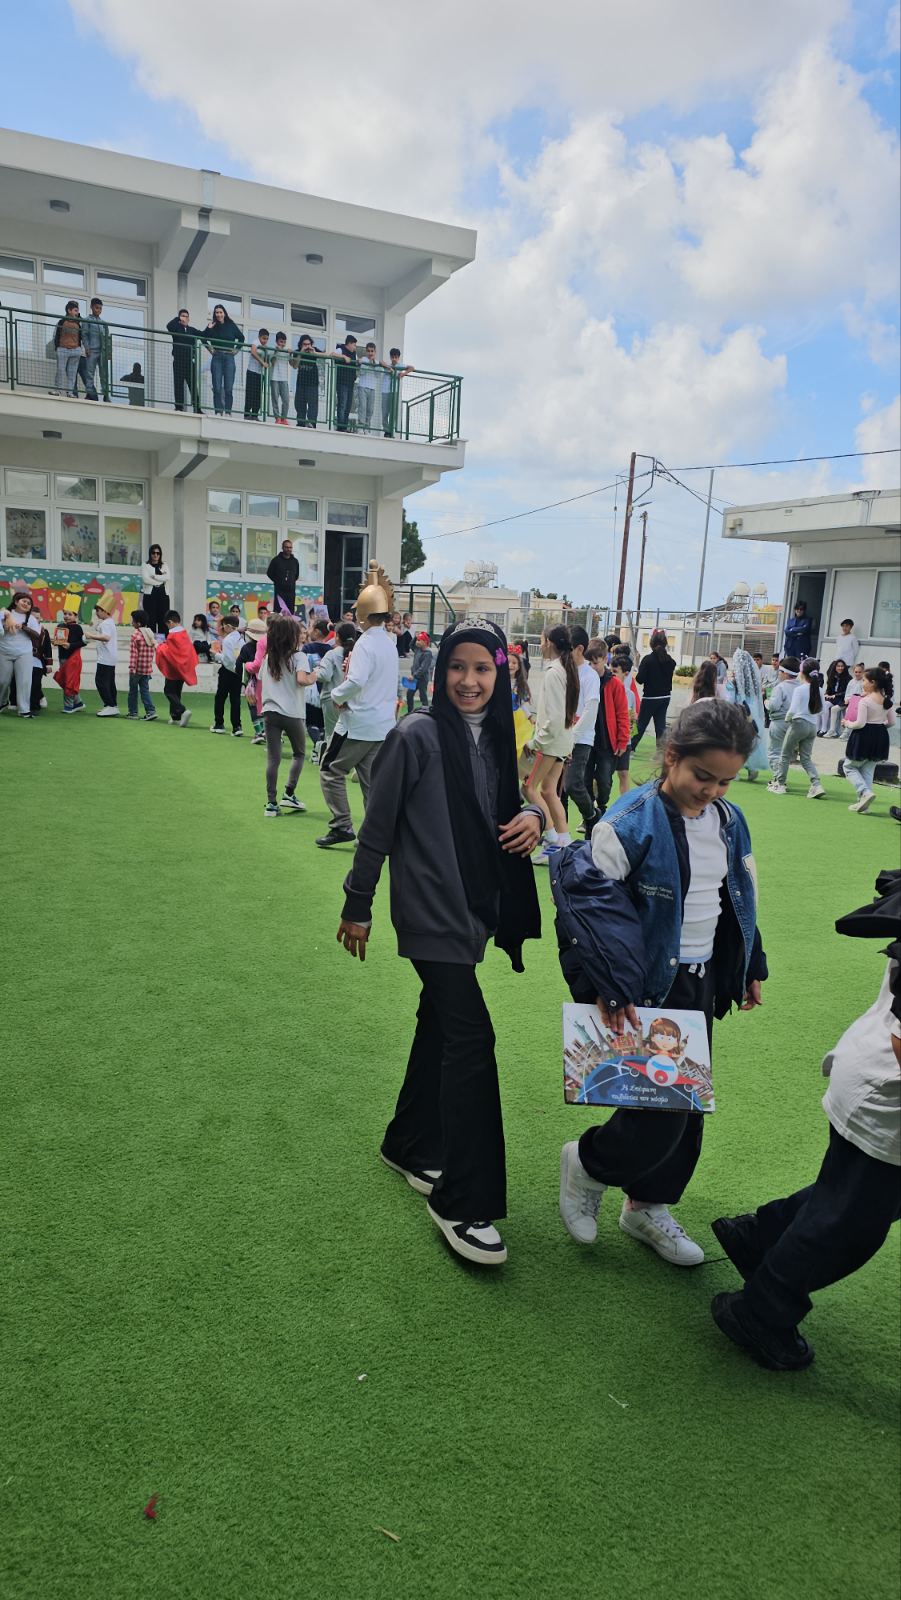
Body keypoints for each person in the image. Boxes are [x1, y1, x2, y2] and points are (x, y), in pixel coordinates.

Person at [336, 618, 543, 1266]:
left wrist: (534, 815)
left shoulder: (500, 736)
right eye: (457, 666)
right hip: (429, 914)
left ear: (501, 674)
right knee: (471, 1041)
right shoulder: (416, 734)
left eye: (482, 668)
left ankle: (407, 1142)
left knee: (438, 1025)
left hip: (475, 909)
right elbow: (377, 827)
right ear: (439, 670)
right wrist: (357, 905)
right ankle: (461, 1200)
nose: (468, 681)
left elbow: (517, 802)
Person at [557, 699, 766, 1267]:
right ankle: (588, 1163)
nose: (712, 791)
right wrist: (606, 988)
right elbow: (588, 920)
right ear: (671, 756)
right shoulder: (627, 824)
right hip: (645, 989)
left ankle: (646, 1206)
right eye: (703, 775)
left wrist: (752, 965)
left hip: (702, 982)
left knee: (688, 1111)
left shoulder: (729, 821)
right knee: (661, 1115)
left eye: (725, 780)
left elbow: (737, 898)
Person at [711, 870, 900, 1371]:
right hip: (887, 1092)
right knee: (853, 1223)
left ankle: (760, 1236)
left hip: (876, 1077)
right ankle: (761, 1311)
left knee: (853, 1197)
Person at [317, 562, 399, 848]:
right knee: (370, 781)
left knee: (330, 771)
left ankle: (342, 825)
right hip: (382, 724)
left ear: (363, 614)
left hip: (358, 723)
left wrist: (337, 696)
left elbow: (357, 680)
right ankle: (374, 833)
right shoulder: (390, 643)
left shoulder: (365, 643)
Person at [253, 615, 318, 818]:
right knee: (299, 753)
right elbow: (302, 680)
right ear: (291, 636)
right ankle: (289, 792)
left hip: (270, 712)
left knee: (273, 759)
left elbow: (260, 677)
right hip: (292, 712)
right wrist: (315, 675)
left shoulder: (268, 658)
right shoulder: (299, 657)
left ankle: (271, 803)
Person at [526, 625, 580, 865]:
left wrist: (536, 741)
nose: (541, 645)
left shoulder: (554, 672)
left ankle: (552, 841)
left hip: (551, 742)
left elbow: (555, 716)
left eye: (542, 640)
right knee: (548, 790)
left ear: (549, 642)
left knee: (528, 788)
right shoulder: (565, 669)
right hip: (561, 741)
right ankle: (563, 841)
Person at [585, 641, 631, 821]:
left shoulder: (615, 684)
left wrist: (622, 741)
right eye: (589, 663)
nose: (592, 667)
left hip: (607, 741)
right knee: (585, 779)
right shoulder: (584, 680)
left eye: (595, 663)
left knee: (604, 780)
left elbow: (622, 714)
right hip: (586, 740)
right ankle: (589, 814)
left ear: (605, 660)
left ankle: (601, 806)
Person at [841, 667, 895, 814]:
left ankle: (864, 792)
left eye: (864, 680)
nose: (862, 683)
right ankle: (864, 804)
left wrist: (847, 723)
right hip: (880, 735)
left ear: (873, 682)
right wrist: (879, 727)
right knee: (868, 769)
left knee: (849, 767)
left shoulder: (865, 701)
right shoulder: (887, 701)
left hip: (863, 736)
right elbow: (891, 722)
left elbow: (860, 723)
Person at [563, 626, 601, 835]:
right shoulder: (562, 671)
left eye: (567, 649)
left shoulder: (590, 675)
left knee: (572, 784)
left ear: (579, 649)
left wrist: (573, 737)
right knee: (557, 788)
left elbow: (590, 709)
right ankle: (559, 834)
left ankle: (593, 817)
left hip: (581, 739)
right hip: (560, 737)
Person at [768, 659, 825, 798]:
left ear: (802, 673)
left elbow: (792, 710)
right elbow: (821, 711)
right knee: (806, 758)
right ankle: (816, 784)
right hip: (812, 726)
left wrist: (788, 720)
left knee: (785, 755)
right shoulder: (819, 690)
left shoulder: (800, 689)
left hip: (798, 724)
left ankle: (780, 784)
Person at [724, 649, 769, 780]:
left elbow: (729, 700)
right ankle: (752, 768)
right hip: (752, 715)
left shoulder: (733, 683)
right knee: (751, 742)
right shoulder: (754, 683)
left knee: (735, 743)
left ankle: (734, 771)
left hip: (738, 714)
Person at [632, 629, 676, 750]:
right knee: (660, 725)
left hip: (650, 697)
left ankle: (630, 747)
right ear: (665, 643)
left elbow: (640, 679)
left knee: (641, 724)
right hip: (665, 696)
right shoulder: (670, 661)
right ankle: (661, 751)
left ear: (651, 643)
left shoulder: (648, 660)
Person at [0, 593, 42, 717]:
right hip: (4, 651)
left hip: (24, 653)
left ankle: (24, 709)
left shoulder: (31, 619)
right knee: (3, 681)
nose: (26, 604)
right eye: (24, 601)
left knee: (24, 681)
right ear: (16, 601)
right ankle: (2, 702)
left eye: (29, 603)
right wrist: (5, 624)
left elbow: (37, 636)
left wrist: (24, 627)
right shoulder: (5, 613)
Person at [318, 622, 359, 747]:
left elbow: (325, 675)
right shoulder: (358, 654)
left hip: (332, 699)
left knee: (331, 735)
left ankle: (329, 758)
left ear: (337, 636)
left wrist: (315, 671)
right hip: (352, 699)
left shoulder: (332, 654)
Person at [155, 610, 196, 727]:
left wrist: (158, 646)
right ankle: (175, 716)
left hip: (173, 669)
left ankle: (182, 710)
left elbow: (169, 652)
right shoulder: (184, 633)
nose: (167, 627)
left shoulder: (173, 635)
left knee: (169, 691)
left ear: (170, 622)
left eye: (167, 625)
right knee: (176, 692)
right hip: (182, 668)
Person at [203, 304, 244, 416]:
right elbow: (203, 338)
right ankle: (218, 411)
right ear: (214, 314)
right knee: (216, 386)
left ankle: (228, 412)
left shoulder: (231, 325)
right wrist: (210, 348)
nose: (219, 314)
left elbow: (241, 338)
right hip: (217, 357)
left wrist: (236, 350)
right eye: (217, 312)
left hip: (229, 357)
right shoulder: (212, 326)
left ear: (224, 313)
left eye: (221, 312)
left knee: (228, 387)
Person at [84, 599, 119, 717]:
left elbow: (106, 637)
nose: (97, 613)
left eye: (98, 611)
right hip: (110, 657)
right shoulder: (109, 622)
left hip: (105, 658)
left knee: (100, 681)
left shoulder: (106, 624)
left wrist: (90, 635)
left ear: (104, 611)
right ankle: (112, 705)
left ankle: (110, 705)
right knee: (110, 682)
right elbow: (99, 629)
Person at [764, 656, 799, 775]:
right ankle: (781, 777)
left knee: (774, 752)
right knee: (786, 754)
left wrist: (767, 702)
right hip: (795, 724)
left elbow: (774, 706)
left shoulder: (780, 687)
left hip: (779, 722)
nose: (779, 673)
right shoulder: (801, 686)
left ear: (785, 673)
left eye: (780, 671)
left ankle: (778, 778)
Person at [210, 613, 243, 735]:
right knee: (235, 699)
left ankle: (219, 724)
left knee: (220, 697)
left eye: (223, 626)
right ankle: (237, 726)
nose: (223, 628)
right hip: (238, 672)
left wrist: (217, 655)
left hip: (227, 671)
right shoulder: (241, 639)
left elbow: (228, 660)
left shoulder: (227, 640)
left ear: (228, 626)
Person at [166, 310, 203, 412]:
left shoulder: (192, 330)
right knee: (178, 384)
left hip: (190, 361)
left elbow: (203, 334)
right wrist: (177, 319)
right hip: (178, 361)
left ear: (188, 319)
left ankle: (197, 408)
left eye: (186, 316)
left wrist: (209, 328)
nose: (184, 318)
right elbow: (169, 326)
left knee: (193, 385)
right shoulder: (176, 328)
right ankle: (179, 407)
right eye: (182, 316)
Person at [52, 605, 86, 713]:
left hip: (72, 659)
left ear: (75, 616)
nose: (67, 616)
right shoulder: (61, 625)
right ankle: (78, 702)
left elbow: (82, 642)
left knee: (69, 682)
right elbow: (59, 640)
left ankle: (69, 706)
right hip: (62, 658)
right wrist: (55, 642)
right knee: (64, 681)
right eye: (65, 614)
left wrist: (70, 645)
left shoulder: (77, 628)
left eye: (70, 614)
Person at [126, 608, 157, 721]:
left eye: (133, 621)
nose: (132, 622)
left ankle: (133, 712)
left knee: (133, 692)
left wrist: (132, 668)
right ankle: (150, 711)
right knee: (145, 691)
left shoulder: (135, 635)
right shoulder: (150, 633)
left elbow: (134, 654)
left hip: (136, 669)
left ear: (138, 623)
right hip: (147, 669)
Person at [79, 297, 109, 401]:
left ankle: (106, 395)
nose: (99, 310)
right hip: (92, 351)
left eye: (100, 308)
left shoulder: (104, 323)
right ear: (91, 307)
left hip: (102, 352)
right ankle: (90, 394)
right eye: (97, 308)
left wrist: (108, 352)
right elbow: (84, 335)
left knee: (104, 374)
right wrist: (87, 348)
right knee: (90, 374)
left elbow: (107, 338)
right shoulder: (86, 320)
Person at [52, 301, 84, 398]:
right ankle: (58, 390)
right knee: (60, 371)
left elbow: (82, 336)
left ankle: (70, 392)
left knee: (72, 373)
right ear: (69, 310)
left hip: (75, 350)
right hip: (63, 349)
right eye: (75, 310)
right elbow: (55, 335)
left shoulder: (79, 323)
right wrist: (57, 347)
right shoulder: (61, 322)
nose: (77, 313)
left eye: (77, 311)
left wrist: (80, 349)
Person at [381, 347, 414, 437]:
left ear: (398, 357)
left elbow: (412, 367)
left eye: (396, 357)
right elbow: (381, 362)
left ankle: (391, 430)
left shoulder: (400, 365)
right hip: (385, 391)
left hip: (394, 391)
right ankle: (386, 430)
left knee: (393, 412)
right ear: (390, 357)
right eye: (393, 357)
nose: (394, 359)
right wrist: (389, 368)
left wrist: (403, 373)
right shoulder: (388, 365)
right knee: (384, 412)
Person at [292, 334, 321, 428]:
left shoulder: (314, 350)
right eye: (305, 344)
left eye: (308, 344)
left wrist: (315, 353)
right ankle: (301, 423)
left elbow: (327, 355)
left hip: (313, 383)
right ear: (301, 345)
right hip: (301, 383)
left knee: (313, 404)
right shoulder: (297, 352)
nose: (307, 346)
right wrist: (301, 353)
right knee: (299, 403)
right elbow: (295, 366)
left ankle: (312, 423)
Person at [141, 544, 170, 639]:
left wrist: (155, 577)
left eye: (158, 553)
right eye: (153, 553)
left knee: (163, 620)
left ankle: (162, 643)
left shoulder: (164, 565)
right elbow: (146, 579)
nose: (155, 555)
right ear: (150, 554)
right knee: (151, 620)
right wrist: (159, 581)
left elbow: (167, 577)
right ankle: (151, 642)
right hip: (150, 595)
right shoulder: (145, 565)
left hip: (163, 595)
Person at [266, 538, 300, 618]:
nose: (289, 549)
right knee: (278, 613)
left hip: (291, 592)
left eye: (290, 547)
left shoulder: (295, 561)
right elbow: (269, 573)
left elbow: (296, 575)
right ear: (282, 548)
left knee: (290, 614)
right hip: (280, 591)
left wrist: (290, 582)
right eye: (286, 547)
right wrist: (278, 581)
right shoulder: (276, 560)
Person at [333, 332, 358, 431]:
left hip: (350, 383)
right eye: (354, 345)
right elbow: (332, 354)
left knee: (348, 405)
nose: (355, 347)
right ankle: (341, 426)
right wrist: (344, 356)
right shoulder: (341, 349)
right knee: (342, 404)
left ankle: (344, 426)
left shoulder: (354, 354)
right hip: (342, 382)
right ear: (349, 343)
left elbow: (356, 363)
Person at [244, 328, 270, 421]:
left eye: (267, 339)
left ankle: (255, 414)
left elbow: (267, 359)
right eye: (263, 338)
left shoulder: (265, 347)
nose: (265, 340)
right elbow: (253, 352)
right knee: (250, 393)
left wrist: (266, 361)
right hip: (251, 371)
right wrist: (262, 362)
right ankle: (247, 414)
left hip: (259, 374)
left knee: (258, 395)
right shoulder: (255, 342)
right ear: (259, 337)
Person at [822, 658, 851, 737]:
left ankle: (832, 730)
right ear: (835, 667)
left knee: (833, 709)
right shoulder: (832, 676)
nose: (840, 668)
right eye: (838, 666)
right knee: (825, 704)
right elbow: (829, 688)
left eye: (842, 666)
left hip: (842, 699)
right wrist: (827, 694)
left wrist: (836, 695)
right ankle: (823, 729)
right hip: (834, 698)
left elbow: (847, 692)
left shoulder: (848, 678)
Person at [268, 331, 292, 424]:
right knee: (275, 399)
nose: (283, 344)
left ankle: (283, 418)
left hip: (284, 379)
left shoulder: (286, 352)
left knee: (286, 400)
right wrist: (276, 351)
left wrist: (291, 353)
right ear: (277, 341)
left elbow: (292, 364)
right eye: (281, 342)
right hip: (274, 378)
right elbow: (272, 362)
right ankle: (277, 418)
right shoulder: (272, 350)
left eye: (284, 342)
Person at [408, 632, 433, 714]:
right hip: (414, 678)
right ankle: (410, 712)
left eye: (419, 640)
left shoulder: (428, 653)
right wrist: (415, 637)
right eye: (417, 640)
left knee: (422, 696)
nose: (417, 642)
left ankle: (426, 712)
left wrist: (414, 675)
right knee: (409, 694)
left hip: (422, 679)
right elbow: (411, 645)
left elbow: (423, 668)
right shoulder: (417, 649)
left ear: (425, 642)